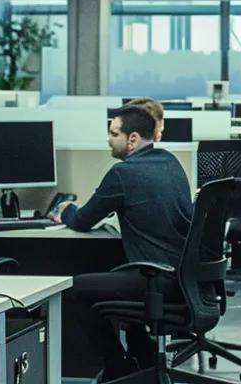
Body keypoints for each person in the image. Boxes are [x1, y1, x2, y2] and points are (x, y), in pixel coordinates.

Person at [54, 104, 194, 381]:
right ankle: (144, 357)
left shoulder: (122, 174)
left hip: (158, 279)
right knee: (117, 278)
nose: (108, 139)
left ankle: (118, 365)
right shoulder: (171, 162)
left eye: (113, 133)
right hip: (185, 278)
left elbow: (82, 220)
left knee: (72, 289)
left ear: (133, 139)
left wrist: (64, 209)